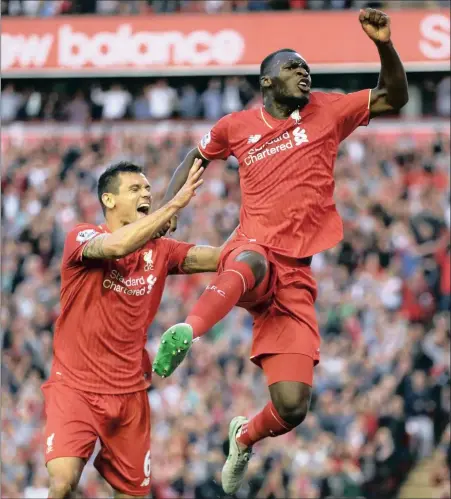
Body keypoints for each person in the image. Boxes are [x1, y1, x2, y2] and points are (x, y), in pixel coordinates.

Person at [152, 8, 409, 494]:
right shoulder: (236, 125)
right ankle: (188, 329)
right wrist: (167, 211)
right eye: (294, 66)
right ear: (267, 79)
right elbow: (197, 155)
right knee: (249, 259)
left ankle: (244, 435)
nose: (304, 72)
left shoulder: (328, 112)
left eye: (308, 68)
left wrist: (384, 45)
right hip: (252, 248)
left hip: (295, 276)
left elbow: (395, 96)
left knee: (292, 407)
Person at [42, 159, 228, 498]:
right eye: (135, 188)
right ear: (109, 200)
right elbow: (116, 246)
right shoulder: (82, 237)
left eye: (147, 188)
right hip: (76, 387)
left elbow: (221, 258)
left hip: (130, 392)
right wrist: (173, 205)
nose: (146, 192)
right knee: (62, 482)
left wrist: (260, 222)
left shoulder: (163, 251)